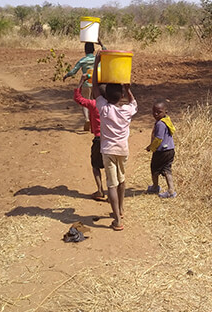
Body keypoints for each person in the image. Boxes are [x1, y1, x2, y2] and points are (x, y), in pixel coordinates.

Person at [91, 52, 137, 231]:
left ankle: (117, 219)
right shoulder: (126, 110)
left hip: (108, 150)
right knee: (122, 179)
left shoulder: (103, 108)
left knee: (111, 183)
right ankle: (121, 208)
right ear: (121, 96)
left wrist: (97, 63)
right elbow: (134, 103)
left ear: (105, 95)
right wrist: (127, 87)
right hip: (123, 150)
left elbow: (95, 86)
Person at [73, 72, 106, 201]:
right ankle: (112, 191)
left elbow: (78, 99)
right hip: (110, 139)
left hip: (98, 139)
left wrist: (81, 82)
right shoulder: (111, 105)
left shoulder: (94, 104)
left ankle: (100, 190)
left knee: (95, 165)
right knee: (110, 168)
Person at [145, 100, 177, 198]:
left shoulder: (160, 124)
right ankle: (171, 190)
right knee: (167, 169)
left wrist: (151, 147)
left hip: (161, 151)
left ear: (165, 112)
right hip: (170, 150)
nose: (155, 114)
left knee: (154, 168)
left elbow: (158, 138)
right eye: (154, 111)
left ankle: (155, 187)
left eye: (159, 112)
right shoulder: (167, 120)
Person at [63, 42, 97, 131]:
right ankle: (94, 121)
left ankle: (87, 119)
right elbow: (105, 52)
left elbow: (74, 71)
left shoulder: (83, 60)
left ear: (85, 50)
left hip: (86, 84)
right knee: (95, 103)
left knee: (85, 102)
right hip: (96, 84)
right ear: (93, 50)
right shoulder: (97, 59)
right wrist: (101, 44)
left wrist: (67, 75)